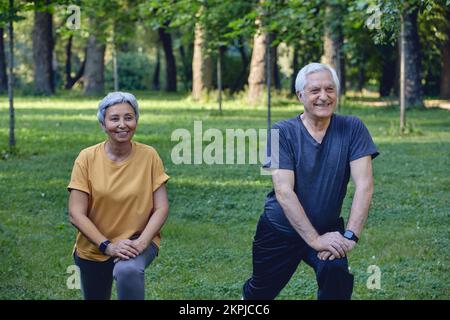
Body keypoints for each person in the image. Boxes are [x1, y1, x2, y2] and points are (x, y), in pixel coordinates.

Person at [242, 63, 379, 300]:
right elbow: (284, 192)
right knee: (259, 294)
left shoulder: (353, 128)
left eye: (330, 89)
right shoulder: (281, 132)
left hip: (328, 229)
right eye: (315, 90)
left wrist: (350, 236)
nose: (324, 97)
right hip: (280, 230)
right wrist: (315, 240)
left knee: (335, 273)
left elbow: (364, 185)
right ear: (300, 95)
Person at [67, 92, 170, 300]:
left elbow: (161, 208)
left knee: (128, 270)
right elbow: (76, 214)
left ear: (136, 121)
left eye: (129, 117)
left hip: (136, 241)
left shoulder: (149, 155)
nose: (122, 124)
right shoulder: (86, 159)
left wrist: (141, 243)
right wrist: (108, 246)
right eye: (114, 119)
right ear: (103, 124)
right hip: (94, 247)